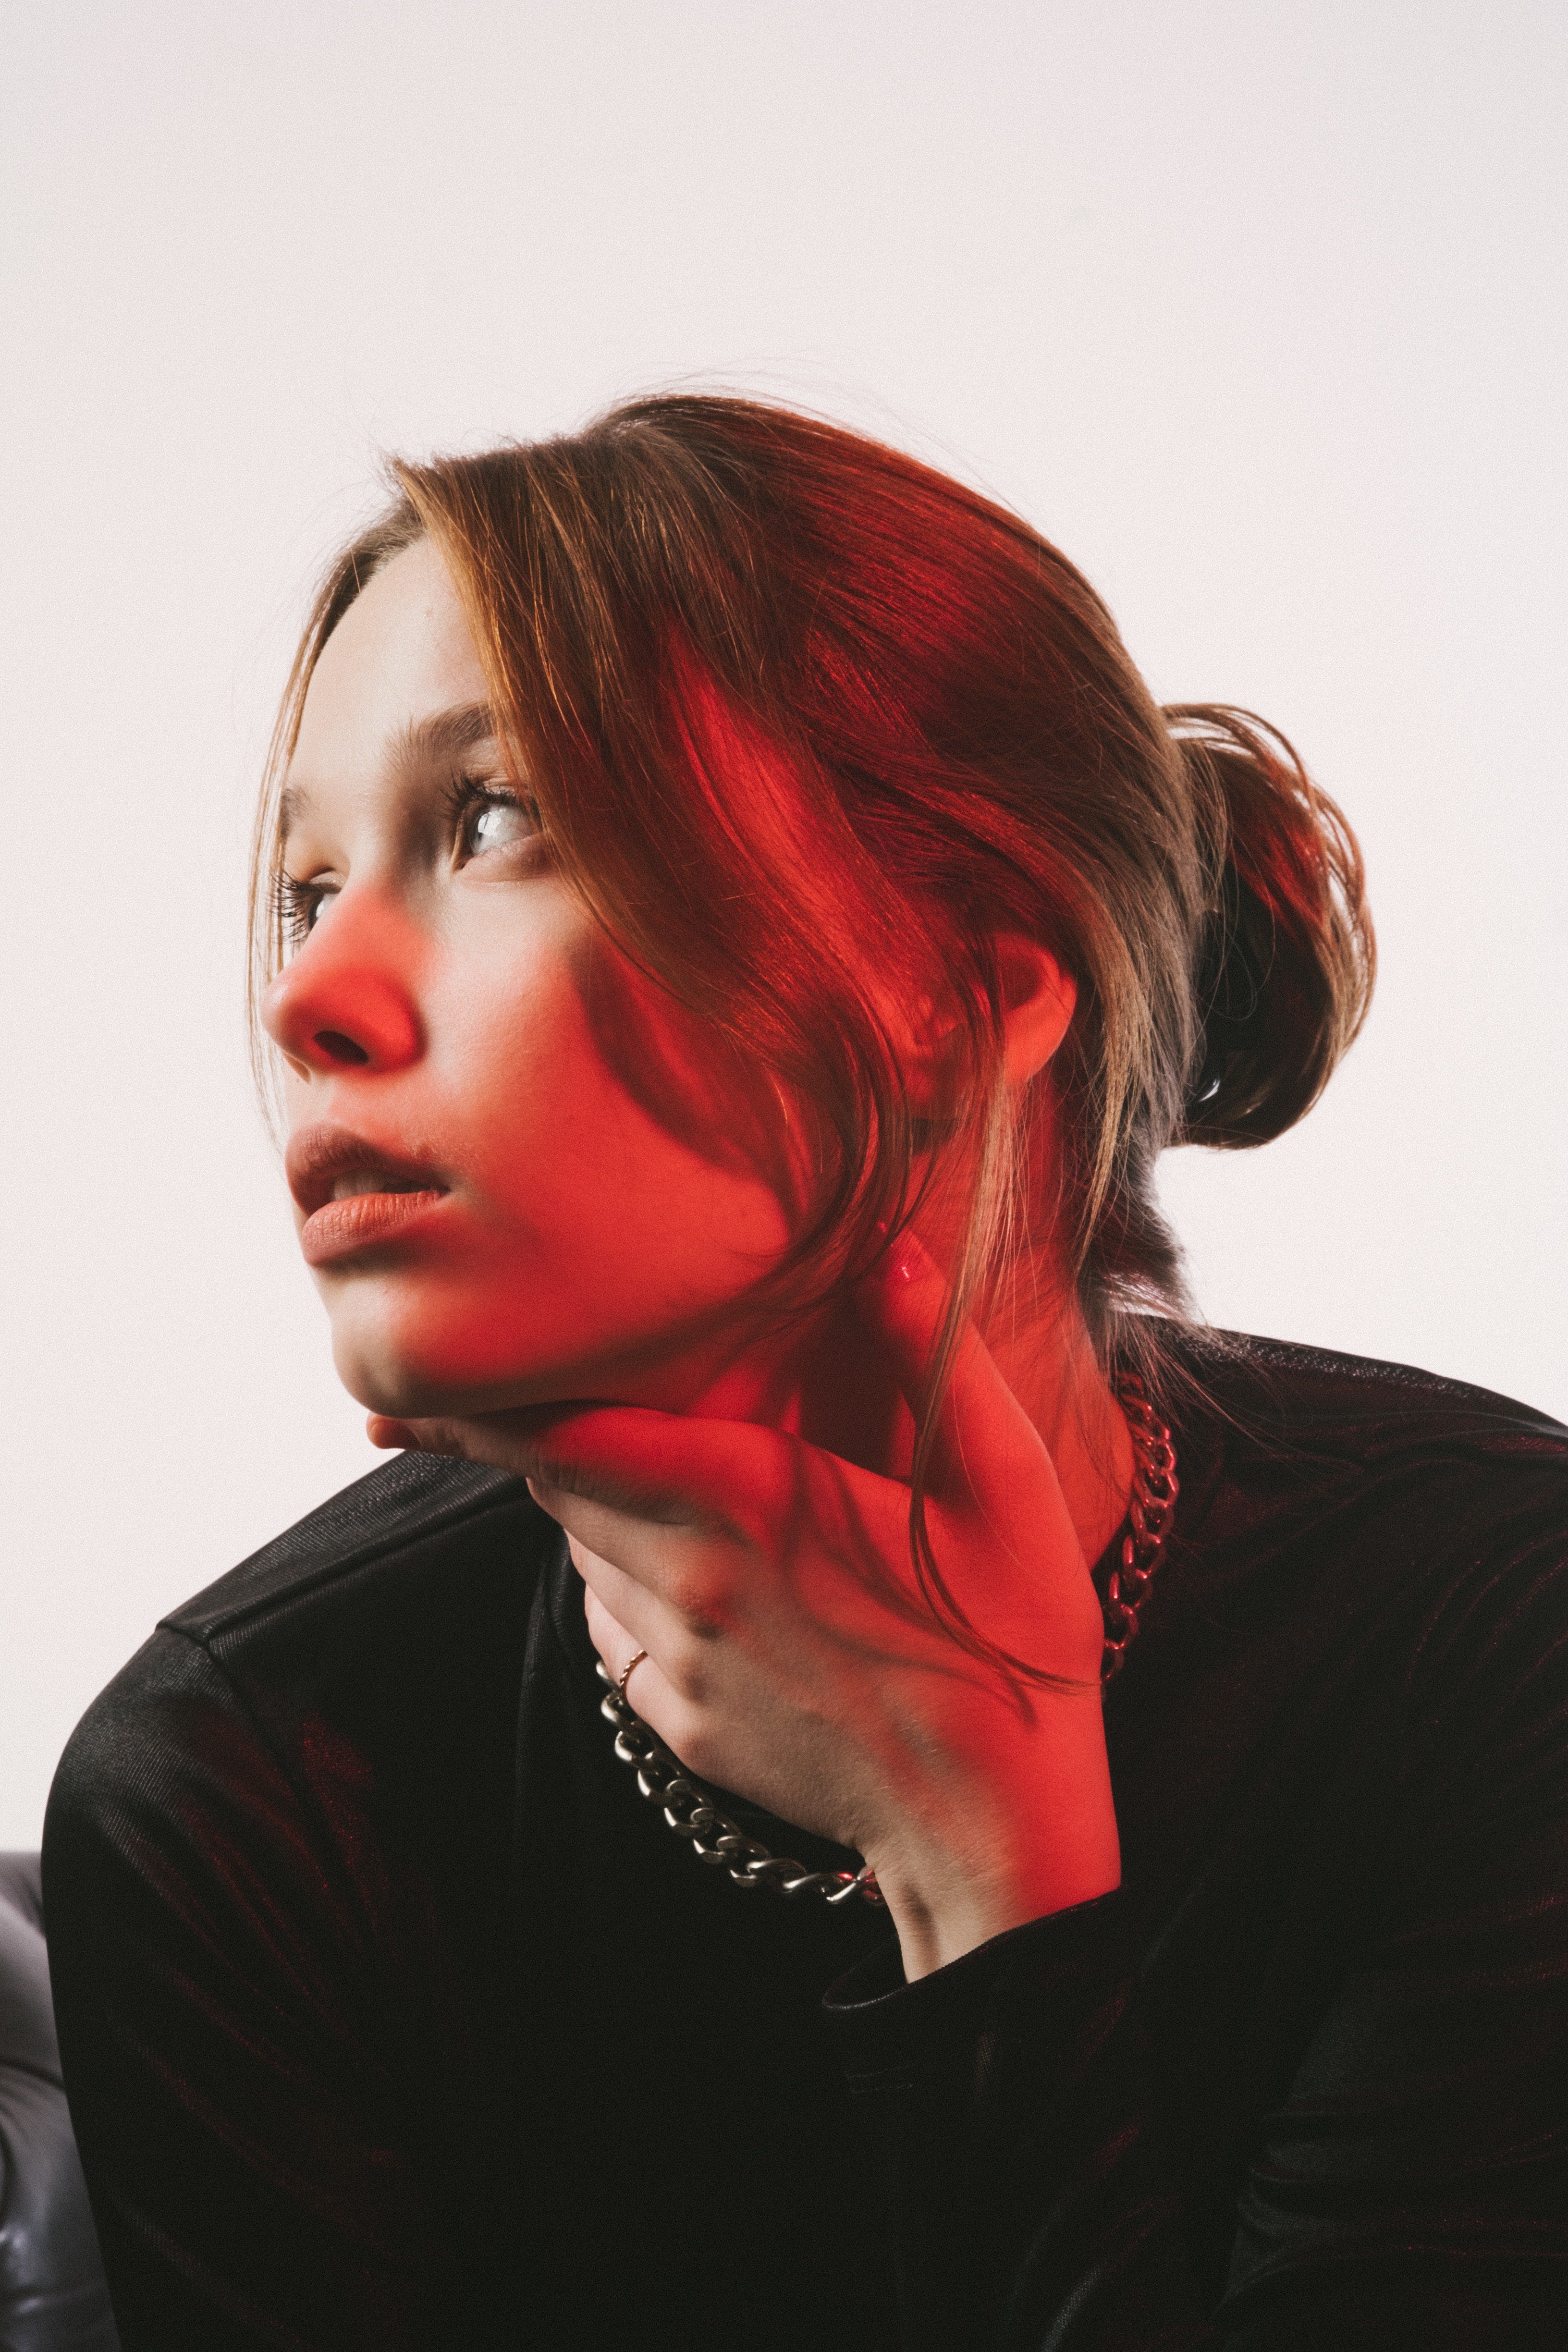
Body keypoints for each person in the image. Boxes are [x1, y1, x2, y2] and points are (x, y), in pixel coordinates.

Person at [42, 396, 1568, 2351]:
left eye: (492, 820)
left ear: (957, 988)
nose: (312, 1000)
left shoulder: (1486, 1639)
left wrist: (988, 1876)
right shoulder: (242, 1795)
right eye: (308, 886)